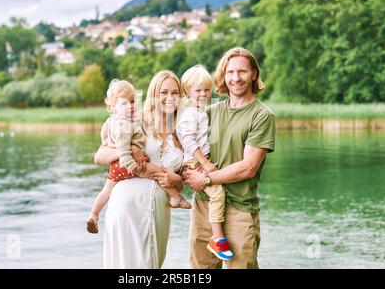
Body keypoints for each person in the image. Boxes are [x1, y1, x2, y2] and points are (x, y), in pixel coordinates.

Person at [184, 47, 276, 269]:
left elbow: (248, 168)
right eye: (230, 72)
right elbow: (185, 145)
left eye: (242, 72)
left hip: (239, 209)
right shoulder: (209, 112)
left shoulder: (262, 116)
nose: (236, 78)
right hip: (205, 206)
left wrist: (206, 180)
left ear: (254, 74)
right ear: (223, 76)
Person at [94, 70, 187, 268]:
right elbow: (99, 156)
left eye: (175, 93)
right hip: (127, 205)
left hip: (160, 210)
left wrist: (176, 181)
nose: (169, 98)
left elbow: (179, 185)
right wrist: (126, 152)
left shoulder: (183, 131)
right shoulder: (135, 120)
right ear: (154, 94)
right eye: (164, 92)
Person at [176, 65, 234, 261]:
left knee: (216, 193)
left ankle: (216, 236)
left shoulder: (199, 111)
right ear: (187, 92)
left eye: (206, 90)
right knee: (217, 193)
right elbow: (188, 141)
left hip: (199, 160)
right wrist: (205, 164)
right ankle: (217, 238)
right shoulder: (190, 114)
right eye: (198, 90)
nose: (203, 94)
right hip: (195, 162)